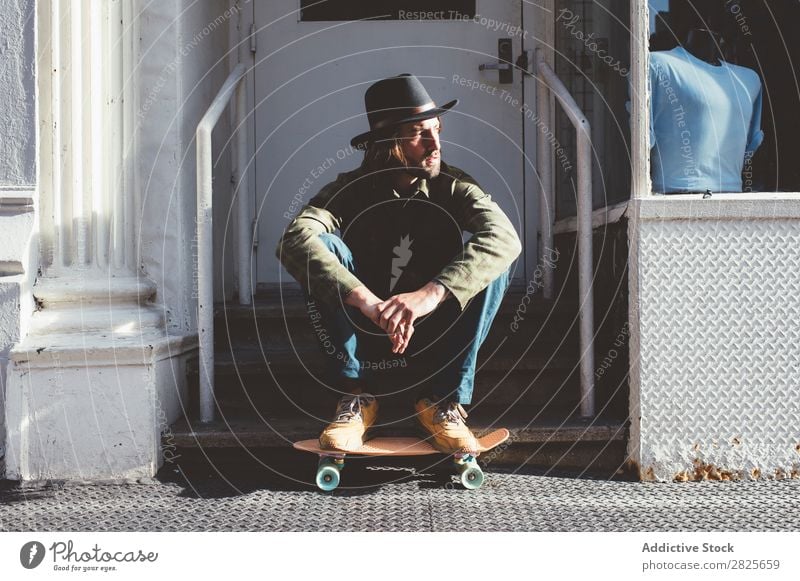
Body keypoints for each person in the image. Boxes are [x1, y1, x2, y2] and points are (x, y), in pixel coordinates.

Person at [276, 73, 521, 454]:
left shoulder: (453, 186)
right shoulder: (349, 190)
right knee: (322, 246)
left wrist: (428, 295)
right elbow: (295, 238)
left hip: (435, 333)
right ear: (388, 142)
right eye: (418, 133)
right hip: (366, 335)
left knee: (493, 259)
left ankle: (443, 403)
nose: (434, 144)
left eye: (437, 129)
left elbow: (504, 238)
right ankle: (355, 399)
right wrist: (368, 303)